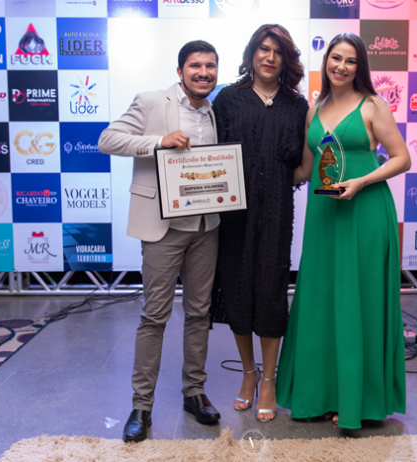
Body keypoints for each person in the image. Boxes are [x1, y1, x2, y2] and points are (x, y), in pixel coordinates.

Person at [276, 33, 410, 428]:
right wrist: (259, 174)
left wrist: (362, 181)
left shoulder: (373, 106)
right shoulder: (313, 109)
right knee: (321, 300)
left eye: (350, 61)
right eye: (336, 58)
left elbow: (402, 158)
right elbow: (304, 168)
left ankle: (357, 402)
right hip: (324, 215)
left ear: (359, 66)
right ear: (326, 61)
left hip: (365, 212)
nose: (341, 66)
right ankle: (321, 395)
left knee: (359, 302)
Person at [98, 40, 221, 442]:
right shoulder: (151, 101)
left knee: (199, 314)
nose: (204, 73)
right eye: (195, 66)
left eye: (210, 66)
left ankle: (194, 393)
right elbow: (108, 139)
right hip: (162, 227)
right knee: (155, 317)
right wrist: (158, 141)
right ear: (180, 70)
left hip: (205, 226)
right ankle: (141, 406)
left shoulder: (214, 111)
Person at [210, 24, 308, 422]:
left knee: (270, 292)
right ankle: (248, 374)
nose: (270, 57)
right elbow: (210, 156)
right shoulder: (228, 99)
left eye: (278, 51)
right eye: (263, 49)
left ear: (286, 60)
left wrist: (276, 181)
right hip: (234, 214)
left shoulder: (297, 106)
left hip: (277, 213)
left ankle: (269, 379)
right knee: (237, 291)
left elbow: (302, 168)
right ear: (251, 53)